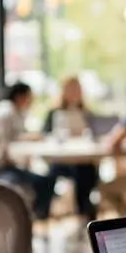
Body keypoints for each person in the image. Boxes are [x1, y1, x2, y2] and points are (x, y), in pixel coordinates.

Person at [0, 82, 53, 219]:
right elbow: (7, 144)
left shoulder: (8, 111)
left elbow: (14, 137)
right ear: (21, 97)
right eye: (30, 98)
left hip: (2, 166)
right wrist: (29, 138)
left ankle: (34, 219)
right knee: (44, 182)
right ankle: (34, 220)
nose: (31, 102)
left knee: (44, 180)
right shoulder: (8, 113)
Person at [43, 75, 101, 221]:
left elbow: (95, 133)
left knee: (87, 171)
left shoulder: (87, 113)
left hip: (83, 158)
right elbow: (45, 135)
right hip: (61, 160)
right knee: (68, 173)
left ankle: (85, 212)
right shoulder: (54, 113)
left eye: (77, 89)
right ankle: (46, 212)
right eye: (71, 89)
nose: (75, 92)